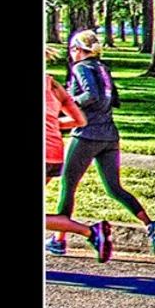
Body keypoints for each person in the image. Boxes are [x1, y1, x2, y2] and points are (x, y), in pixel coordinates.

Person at [52, 30, 155, 255]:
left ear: (77, 49)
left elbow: (91, 95)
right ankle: (150, 225)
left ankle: (59, 238)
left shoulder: (81, 68)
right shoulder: (103, 68)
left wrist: (66, 103)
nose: (71, 53)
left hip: (86, 135)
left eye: (73, 49)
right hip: (109, 135)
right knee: (114, 188)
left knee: (68, 184)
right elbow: (113, 98)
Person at [44, 48, 112, 260]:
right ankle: (91, 233)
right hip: (53, 154)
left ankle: (91, 232)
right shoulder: (52, 84)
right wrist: (51, 125)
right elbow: (79, 120)